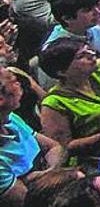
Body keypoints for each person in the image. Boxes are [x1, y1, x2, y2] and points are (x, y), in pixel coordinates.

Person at [38, 39, 100, 168]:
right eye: (81, 56)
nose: (91, 55)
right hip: (97, 159)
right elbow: (65, 147)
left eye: (88, 50)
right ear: (62, 71)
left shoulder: (98, 72)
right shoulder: (54, 103)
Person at [0, 63, 64, 204]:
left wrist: (47, 174)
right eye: (12, 80)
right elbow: (27, 200)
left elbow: (54, 147)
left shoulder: (11, 119)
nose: (19, 82)